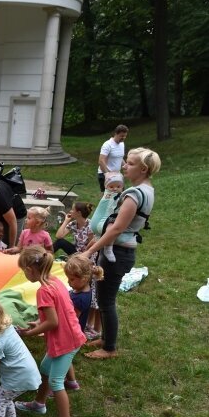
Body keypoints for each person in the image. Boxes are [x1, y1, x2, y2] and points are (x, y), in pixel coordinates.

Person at [80, 147, 159, 360]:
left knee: (106, 301)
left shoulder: (134, 194)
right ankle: (106, 338)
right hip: (120, 250)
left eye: (130, 164)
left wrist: (88, 252)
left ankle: (109, 348)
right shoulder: (146, 189)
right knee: (105, 298)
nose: (124, 166)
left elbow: (116, 229)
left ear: (143, 169)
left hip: (118, 252)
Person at [14, 246, 85, 417]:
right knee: (45, 369)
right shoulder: (55, 281)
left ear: (30, 270)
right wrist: (38, 322)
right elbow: (56, 313)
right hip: (68, 335)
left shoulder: (43, 291)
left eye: (23, 270)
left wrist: (30, 332)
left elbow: (53, 322)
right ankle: (39, 404)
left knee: (55, 381)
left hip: (66, 341)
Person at [58, 255, 105, 392]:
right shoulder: (80, 291)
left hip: (69, 333)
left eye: (72, 279)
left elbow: (70, 318)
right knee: (66, 358)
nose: (69, 281)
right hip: (72, 333)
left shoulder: (80, 299)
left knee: (60, 359)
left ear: (84, 279)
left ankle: (53, 385)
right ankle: (72, 382)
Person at [89, 172, 125, 263]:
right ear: (106, 187)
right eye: (111, 187)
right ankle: (108, 248)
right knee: (111, 231)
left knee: (101, 238)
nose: (115, 189)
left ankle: (96, 253)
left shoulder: (119, 195)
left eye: (118, 186)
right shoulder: (108, 194)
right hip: (101, 221)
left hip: (98, 222)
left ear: (122, 187)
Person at [97, 124, 128, 192]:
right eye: (122, 136)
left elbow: (120, 158)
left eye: (125, 136)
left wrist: (126, 166)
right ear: (116, 134)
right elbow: (101, 161)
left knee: (120, 195)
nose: (123, 138)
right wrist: (108, 174)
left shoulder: (122, 144)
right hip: (105, 175)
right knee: (107, 198)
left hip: (117, 175)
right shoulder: (107, 145)